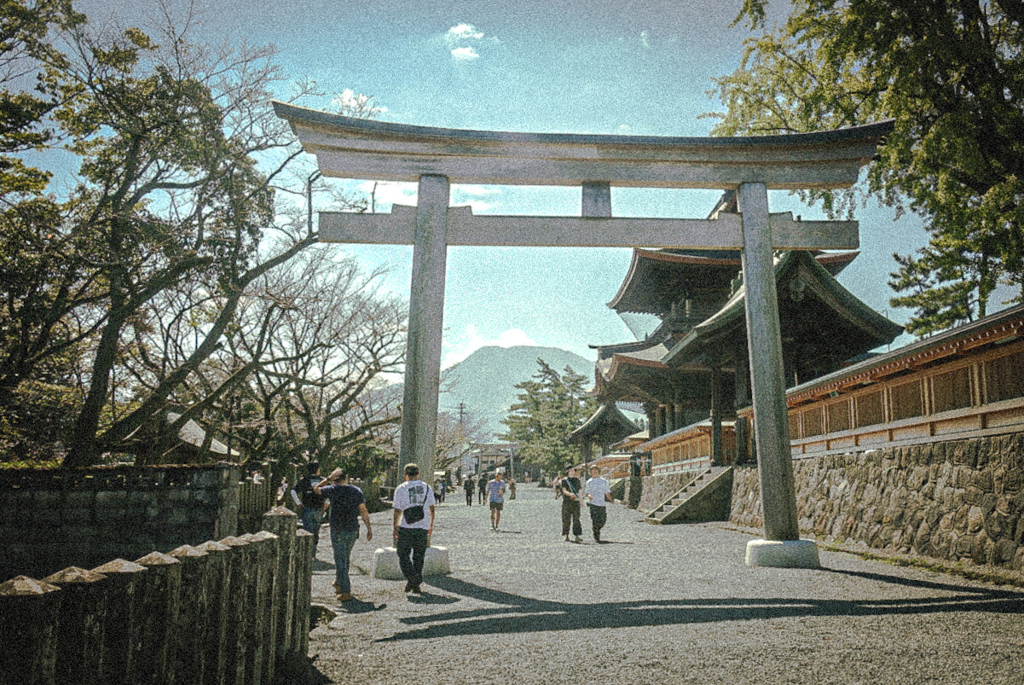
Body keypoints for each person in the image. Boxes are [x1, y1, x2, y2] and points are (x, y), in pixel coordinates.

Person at [314, 469, 372, 601]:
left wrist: (328, 478)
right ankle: (339, 582)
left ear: (335, 480)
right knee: (345, 557)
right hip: (353, 529)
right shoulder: (356, 491)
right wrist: (369, 528)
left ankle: (346, 591)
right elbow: (363, 510)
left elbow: (316, 489)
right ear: (347, 478)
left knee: (340, 560)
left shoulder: (332, 489)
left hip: (338, 529)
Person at [392, 463, 436, 593]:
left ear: (406, 475)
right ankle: (415, 582)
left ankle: (413, 578)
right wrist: (431, 524)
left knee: (402, 554)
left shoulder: (401, 488)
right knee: (419, 555)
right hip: (423, 525)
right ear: (418, 474)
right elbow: (432, 508)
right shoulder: (427, 487)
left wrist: (395, 526)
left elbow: (397, 510)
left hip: (406, 525)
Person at [291, 462, 326, 556]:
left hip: (307, 507)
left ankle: (308, 551)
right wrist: (327, 503)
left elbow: (293, 491)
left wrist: (298, 503)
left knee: (307, 529)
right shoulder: (323, 480)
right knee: (316, 529)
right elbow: (331, 492)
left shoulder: (305, 480)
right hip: (319, 508)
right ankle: (313, 549)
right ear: (317, 470)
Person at [585, 465, 613, 543]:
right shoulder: (589, 482)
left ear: (599, 471)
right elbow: (587, 492)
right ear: (590, 472)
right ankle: (596, 537)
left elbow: (607, 492)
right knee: (595, 520)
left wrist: (610, 499)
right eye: (593, 471)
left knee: (603, 520)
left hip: (601, 504)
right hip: (593, 504)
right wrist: (589, 496)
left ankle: (597, 528)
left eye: (596, 470)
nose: (595, 472)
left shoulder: (603, 481)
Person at [560, 467, 583, 542]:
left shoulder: (577, 480)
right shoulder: (564, 480)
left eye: (573, 471)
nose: (572, 472)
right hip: (567, 502)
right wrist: (570, 494)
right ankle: (566, 535)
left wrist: (581, 501)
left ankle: (577, 535)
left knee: (576, 519)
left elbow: (580, 491)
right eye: (571, 471)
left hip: (576, 502)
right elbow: (564, 490)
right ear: (567, 472)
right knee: (566, 519)